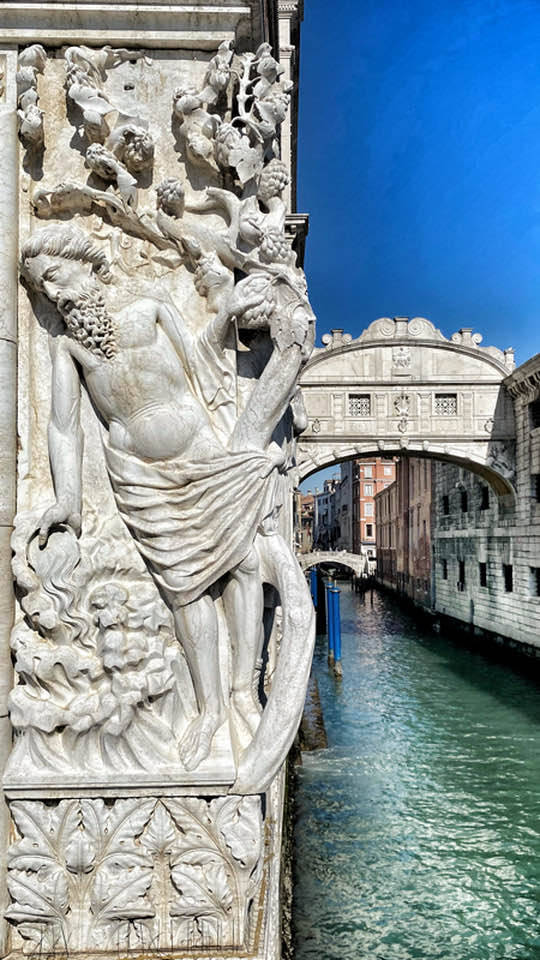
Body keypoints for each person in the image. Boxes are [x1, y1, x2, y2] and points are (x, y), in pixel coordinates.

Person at [20, 224, 291, 771]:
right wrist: (68, 499)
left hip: (198, 450)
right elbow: (64, 426)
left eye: (53, 278)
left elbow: (202, 357)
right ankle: (209, 709)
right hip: (139, 476)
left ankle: (242, 692)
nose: (52, 294)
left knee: (238, 564)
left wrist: (228, 312)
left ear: (82, 263)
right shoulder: (68, 346)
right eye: (41, 290)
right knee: (184, 587)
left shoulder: (149, 301)